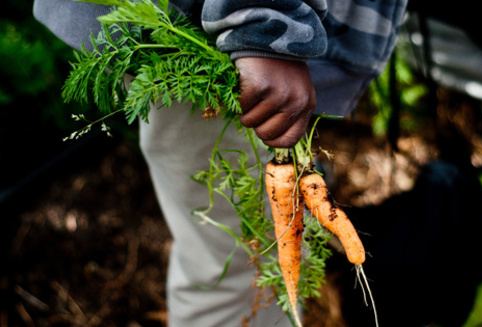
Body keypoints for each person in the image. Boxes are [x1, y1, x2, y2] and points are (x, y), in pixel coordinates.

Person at [33, 0, 407, 326]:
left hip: (250, 36)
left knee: (268, 256)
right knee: (233, 276)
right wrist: (265, 26)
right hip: (226, 51)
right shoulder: (261, 34)